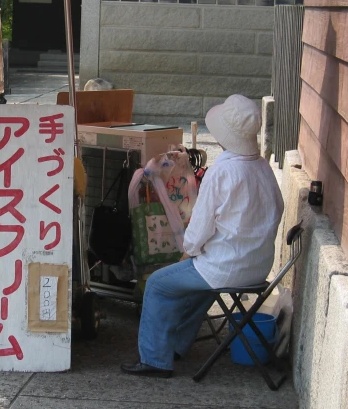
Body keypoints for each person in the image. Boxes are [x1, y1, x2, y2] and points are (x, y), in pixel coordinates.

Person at [121, 94, 284, 378]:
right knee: (197, 285)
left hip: (225, 267)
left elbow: (197, 232)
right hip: (258, 268)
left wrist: (190, 250)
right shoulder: (263, 167)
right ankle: (177, 346)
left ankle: (155, 359)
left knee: (160, 284)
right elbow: (277, 210)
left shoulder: (222, 171)